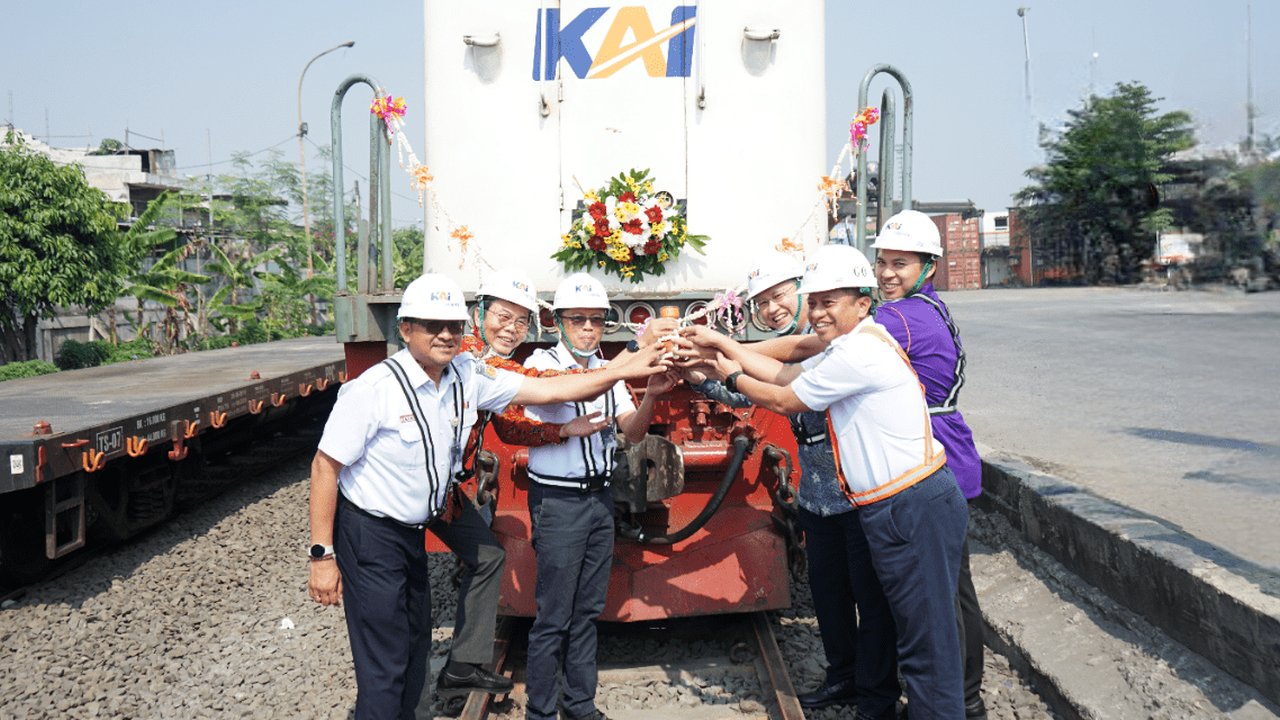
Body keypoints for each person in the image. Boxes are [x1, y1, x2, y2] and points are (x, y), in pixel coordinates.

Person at [306, 273, 667, 720]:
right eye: (432, 326)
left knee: (419, 637)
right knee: (387, 658)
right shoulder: (377, 388)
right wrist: (322, 555)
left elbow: (546, 393)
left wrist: (628, 368)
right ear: (405, 330)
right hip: (373, 528)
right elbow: (325, 466)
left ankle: (451, 676)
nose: (445, 336)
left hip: (427, 513)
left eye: (453, 327)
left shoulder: (467, 374)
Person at [685, 244, 968, 719]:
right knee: (918, 636)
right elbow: (789, 370)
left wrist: (730, 370)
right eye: (813, 302)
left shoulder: (857, 353)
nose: (816, 312)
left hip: (909, 504)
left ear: (862, 303)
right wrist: (720, 360)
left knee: (926, 647)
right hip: (890, 505)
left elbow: (787, 396)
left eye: (827, 302)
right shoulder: (850, 345)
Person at [521, 273, 676, 720]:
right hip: (558, 502)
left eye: (597, 320)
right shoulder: (540, 365)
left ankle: (581, 706)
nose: (588, 328)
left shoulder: (608, 368)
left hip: (598, 501)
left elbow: (631, 431)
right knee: (554, 616)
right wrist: (636, 352)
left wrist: (649, 397)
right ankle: (541, 712)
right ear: (557, 322)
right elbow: (572, 385)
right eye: (578, 320)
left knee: (587, 610)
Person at [871, 210, 987, 719]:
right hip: (951, 452)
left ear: (929, 267)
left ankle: (959, 700)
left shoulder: (899, 318)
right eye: (881, 263)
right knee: (957, 590)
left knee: (941, 598)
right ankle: (969, 696)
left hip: (932, 454)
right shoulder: (926, 307)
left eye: (900, 263)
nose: (887, 274)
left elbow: (832, 344)